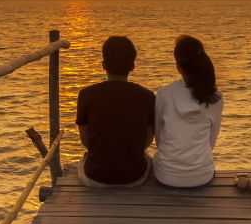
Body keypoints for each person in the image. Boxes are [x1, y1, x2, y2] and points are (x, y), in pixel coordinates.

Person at [75, 36, 156, 187]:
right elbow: (147, 140)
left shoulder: (86, 94)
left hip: (95, 177)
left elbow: (86, 141)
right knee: (149, 159)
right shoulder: (147, 96)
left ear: (103, 65)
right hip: (134, 178)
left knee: (83, 159)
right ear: (133, 66)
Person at [153, 35, 224, 187]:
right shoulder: (215, 97)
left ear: (178, 65)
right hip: (201, 175)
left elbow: (159, 138)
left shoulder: (164, 94)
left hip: (166, 175)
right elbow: (212, 139)